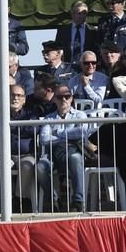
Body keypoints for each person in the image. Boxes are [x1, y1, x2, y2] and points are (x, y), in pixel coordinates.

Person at [37, 85, 88, 213]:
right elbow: (44, 139)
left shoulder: (80, 115)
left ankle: (78, 201)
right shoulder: (49, 118)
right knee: (40, 167)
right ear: (54, 99)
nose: (64, 100)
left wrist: (58, 133)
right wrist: (69, 136)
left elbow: (82, 132)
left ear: (71, 99)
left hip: (73, 150)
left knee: (76, 158)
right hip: (52, 153)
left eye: (67, 96)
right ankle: (53, 200)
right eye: (60, 97)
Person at [0, 85, 38, 208]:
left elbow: (33, 129)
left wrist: (10, 127)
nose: (15, 98)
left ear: (24, 99)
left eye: (19, 95)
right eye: (12, 95)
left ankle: (20, 199)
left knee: (26, 166)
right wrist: (21, 129)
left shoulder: (31, 113)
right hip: (6, 155)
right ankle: (10, 197)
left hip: (27, 155)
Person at [55, 0, 100, 65]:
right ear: (72, 14)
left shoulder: (93, 31)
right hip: (67, 66)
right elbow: (57, 49)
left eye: (84, 13)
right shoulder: (63, 31)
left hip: (87, 66)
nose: (82, 16)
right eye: (79, 13)